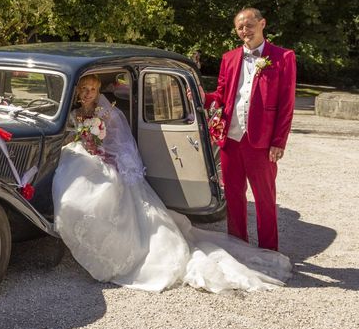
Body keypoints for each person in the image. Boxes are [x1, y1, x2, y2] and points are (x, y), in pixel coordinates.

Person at [53, 74, 292, 293]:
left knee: (99, 186)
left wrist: (104, 155)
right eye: (83, 89)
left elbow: (122, 145)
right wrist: (89, 146)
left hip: (110, 161)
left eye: (92, 89)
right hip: (88, 153)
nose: (87, 94)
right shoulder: (74, 113)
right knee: (72, 163)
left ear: (98, 91)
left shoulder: (108, 114)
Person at [203, 8, 297, 251]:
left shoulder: (283, 57)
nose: (244, 30)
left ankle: (268, 252)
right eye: (240, 27)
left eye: (248, 24)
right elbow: (221, 96)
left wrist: (279, 141)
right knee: (233, 199)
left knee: (265, 200)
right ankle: (238, 248)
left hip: (263, 142)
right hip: (231, 140)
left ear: (262, 23)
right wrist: (201, 97)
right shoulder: (229, 58)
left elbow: (286, 104)